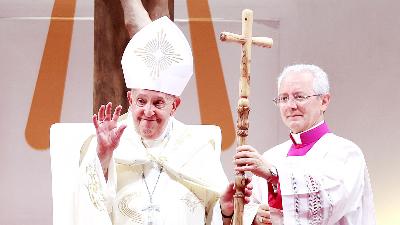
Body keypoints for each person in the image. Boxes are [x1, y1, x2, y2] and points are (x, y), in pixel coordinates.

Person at [76, 16, 252, 225]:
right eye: (141, 101)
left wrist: (225, 209)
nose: (148, 111)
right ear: (130, 99)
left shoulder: (196, 147)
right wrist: (103, 156)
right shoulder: (109, 143)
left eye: (158, 103)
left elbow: (217, 213)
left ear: (174, 105)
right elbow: (89, 204)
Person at [234, 64, 376, 225]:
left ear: (324, 101)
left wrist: (274, 175)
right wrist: (252, 216)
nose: (291, 106)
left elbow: (327, 204)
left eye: (299, 97)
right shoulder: (271, 156)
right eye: (283, 98)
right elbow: (251, 207)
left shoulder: (346, 153)